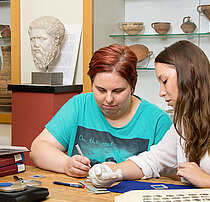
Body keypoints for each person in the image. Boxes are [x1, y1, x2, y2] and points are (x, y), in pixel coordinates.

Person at [88, 40, 210, 193]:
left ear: (188, 75)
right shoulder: (184, 120)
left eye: (164, 81)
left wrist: (207, 180)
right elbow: (154, 160)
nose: (161, 92)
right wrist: (113, 171)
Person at [30, 44, 172, 177]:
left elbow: (173, 175)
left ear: (132, 87)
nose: (108, 99)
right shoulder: (80, 105)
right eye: (101, 90)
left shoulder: (157, 121)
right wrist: (66, 165)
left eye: (118, 91)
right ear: (92, 84)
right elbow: (38, 149)